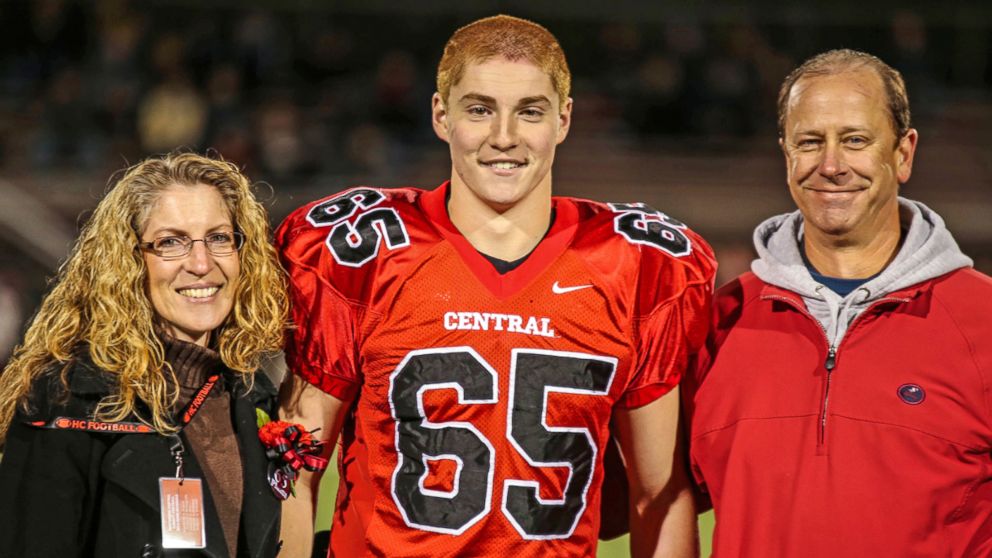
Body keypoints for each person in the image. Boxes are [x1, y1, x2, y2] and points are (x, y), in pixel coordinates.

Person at [276, 14, 716, 558]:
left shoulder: (635, 264)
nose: (504, 137)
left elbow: (660, 495)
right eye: (479, 110)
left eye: (529, 111)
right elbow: (293, 474)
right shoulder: (363, 253)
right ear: (441, 115)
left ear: (564, 120)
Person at [685, 49, 992, 557]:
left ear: (903, 153)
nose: (831, 165)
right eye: (810, 142)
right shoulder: (718, 322)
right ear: (786, 154)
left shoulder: (983, 321)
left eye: (855, 140)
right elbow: (651, 497)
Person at [0, 152, 289, 557]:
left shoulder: (250, 391)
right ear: (130, 261)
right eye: (171, 242)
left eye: (219, 237)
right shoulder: (69, 398)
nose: (202, 263)